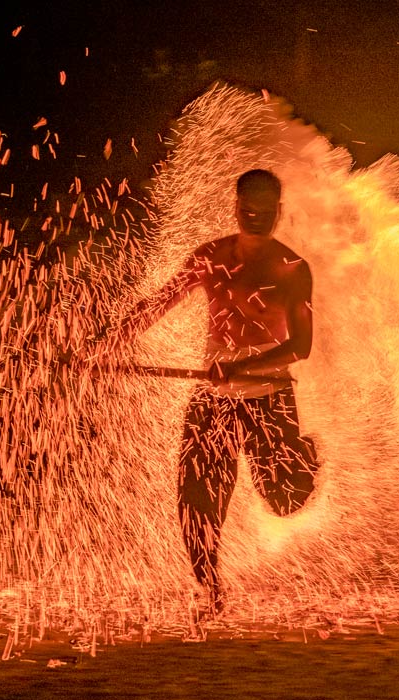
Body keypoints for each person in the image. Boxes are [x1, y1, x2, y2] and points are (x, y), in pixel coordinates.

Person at [99, 169, 319, 613]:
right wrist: (107, 343)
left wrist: (240, 366)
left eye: (265, 211)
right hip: (212, 399)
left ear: (279, 211)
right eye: (248, 209)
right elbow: (157, 303)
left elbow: (301, 346)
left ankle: (307, 458)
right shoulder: (210, 257)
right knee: (196, 497)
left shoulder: (293, 268)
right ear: (235, 207)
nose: (256, 217)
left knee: (283, 502)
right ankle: (210, 587)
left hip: (270, 399)